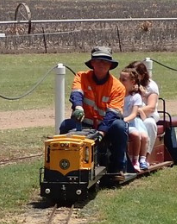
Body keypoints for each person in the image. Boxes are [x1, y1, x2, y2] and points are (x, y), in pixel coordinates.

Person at [58, 46, 128, 176]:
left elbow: (112, 113)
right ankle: (66, 166)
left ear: (110, 65)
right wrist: (78, 107)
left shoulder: (118, 87)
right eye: (98, 61)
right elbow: (76, 93)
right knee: (65, 126)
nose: (102, 64)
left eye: (105, 61)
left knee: (120, 127)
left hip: (107, 124)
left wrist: (101, 132)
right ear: (92, 63)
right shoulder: (81, 76)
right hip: (84, 123)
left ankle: (117, 168)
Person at [126, 60, 160, 158]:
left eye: (136, 75)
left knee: (149, 123)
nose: (133, 77)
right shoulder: (129, 83)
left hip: (148, 115)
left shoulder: (151, 86)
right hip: (131, 114)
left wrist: (137, 111)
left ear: (143, 75)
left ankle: (145, 156)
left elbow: (151, 107)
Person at [119, 68, 149, 172]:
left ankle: (141, 160)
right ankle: (134, 160)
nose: (120, 81)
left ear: (132, 82)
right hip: (123, 122)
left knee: (144, 136)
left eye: (124, 80)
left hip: (132, 121)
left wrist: (124, 120)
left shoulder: (135, 97)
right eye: (120, 79)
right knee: (136, 135)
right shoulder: (117, 95)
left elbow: (133, 114)